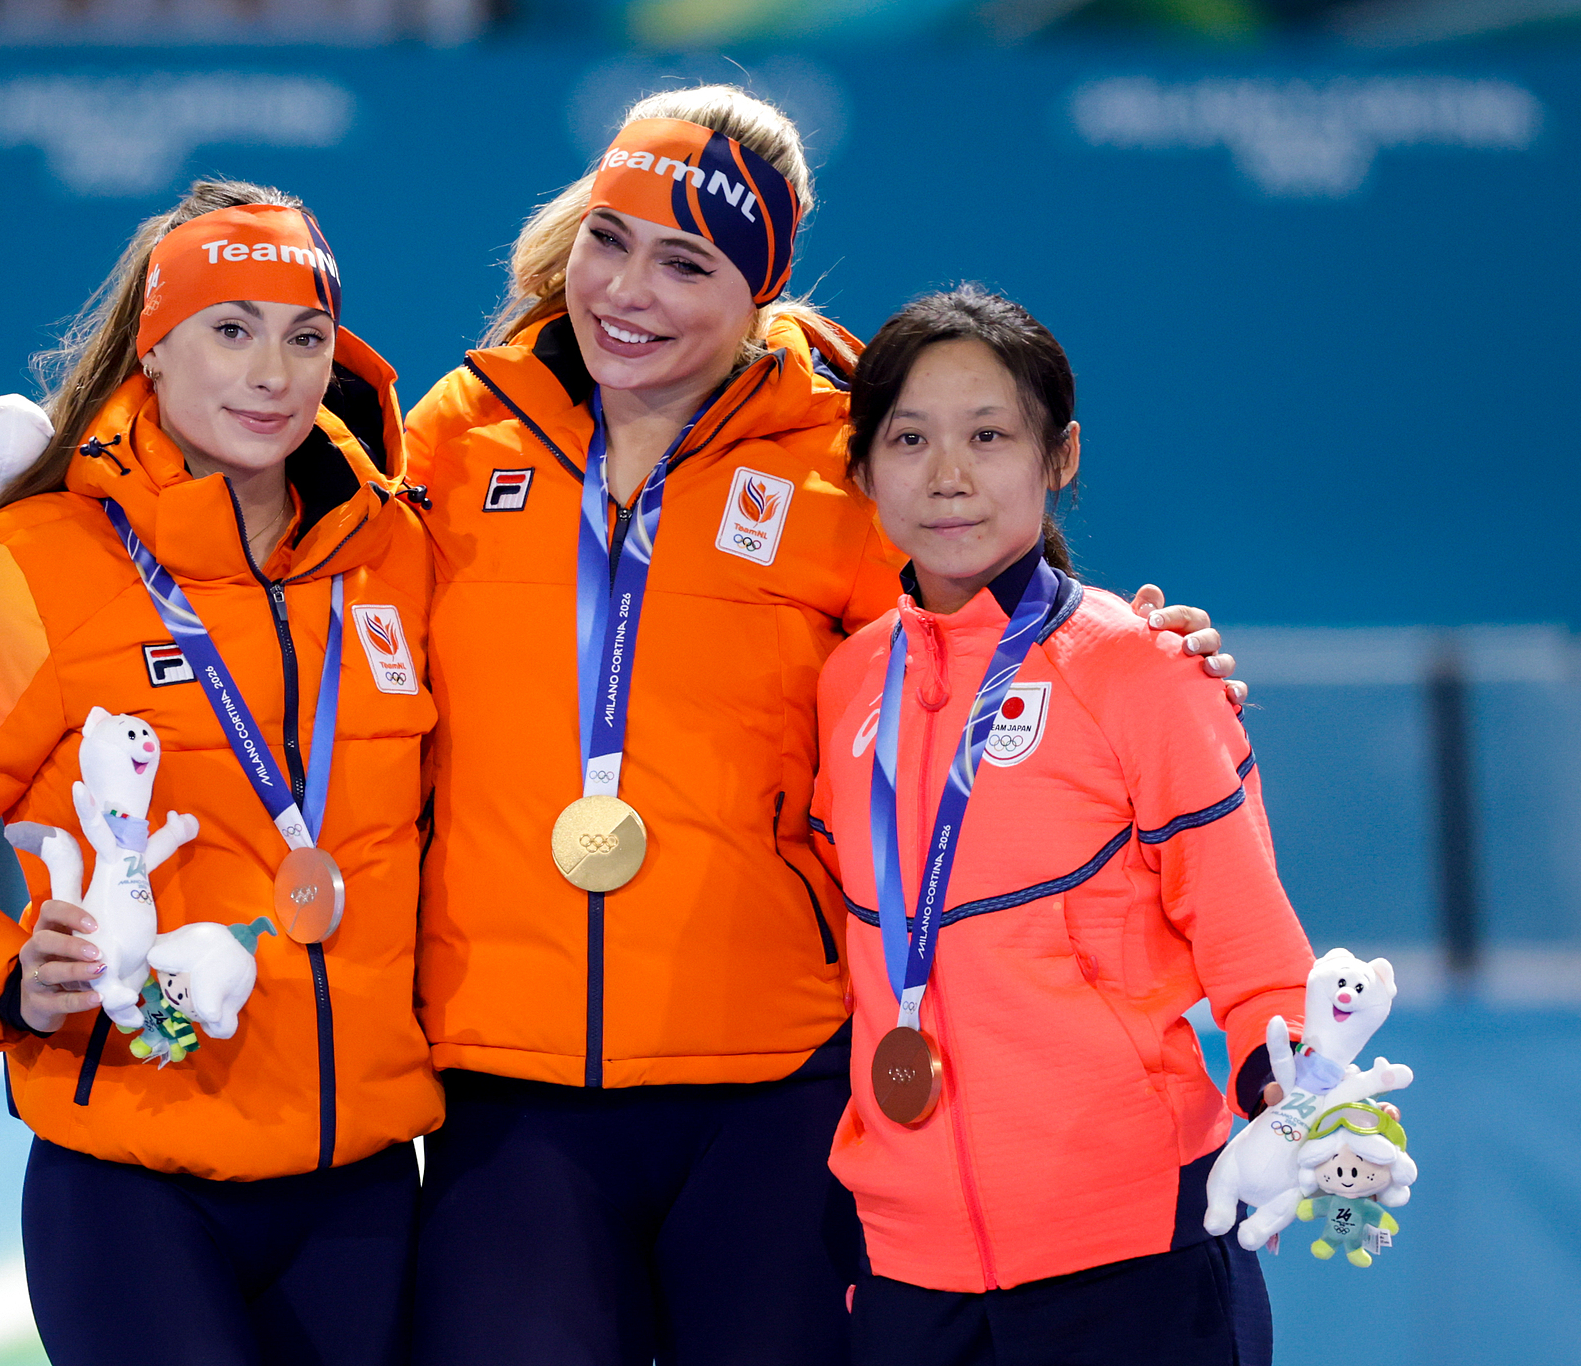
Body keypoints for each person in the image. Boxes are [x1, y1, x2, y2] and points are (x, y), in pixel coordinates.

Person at [402, 88, 1243, 1366]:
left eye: (685, 262)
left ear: (758, 294)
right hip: (507, 1086)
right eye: (609, 239)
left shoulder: (836, 459)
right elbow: (272, 594)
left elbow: (1007, 650)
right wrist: (13, 507)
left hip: (773, 1085)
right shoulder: (454, 437)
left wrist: (1152, 650)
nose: (627, 289)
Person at [0, 179, 441, 1366]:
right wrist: (12, 979)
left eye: (304, 336)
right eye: (230, 328)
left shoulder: (398, 554)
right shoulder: (26, 567)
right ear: (151, 350)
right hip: (133, 1189)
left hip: (364, 1188)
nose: (272, 371)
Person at [810, 284, 1315, 1366]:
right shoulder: (847, 682)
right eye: (907, 438)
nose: (947, 476)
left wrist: (1303, 1103)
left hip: (1133, 1258)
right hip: (907, 1269)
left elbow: (1252, 947)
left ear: (1059, 455)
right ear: (858, 468)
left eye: (987, 436)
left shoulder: (1133, 665)